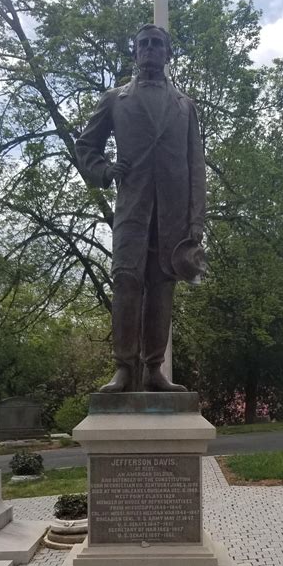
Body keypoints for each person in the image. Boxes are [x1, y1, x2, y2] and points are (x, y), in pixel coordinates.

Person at [75, 23, 206, 393]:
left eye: (157, 44)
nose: (150, 49)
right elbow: (86, 146)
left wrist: (196, 220)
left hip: (172, 216)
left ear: (167, 54)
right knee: (126, 282)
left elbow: (196, 165)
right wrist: (104, 170)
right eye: (144, 44)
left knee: (162, 287)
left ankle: (153, 370)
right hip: (132, 209)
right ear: (135, 53)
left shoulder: (185, 106)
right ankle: (124, 369)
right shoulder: (115, 100)